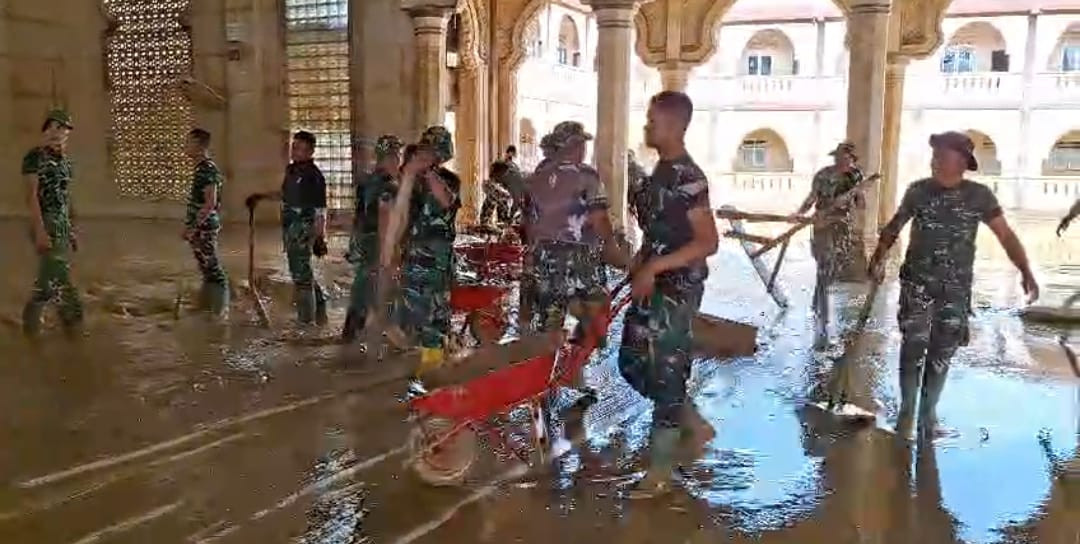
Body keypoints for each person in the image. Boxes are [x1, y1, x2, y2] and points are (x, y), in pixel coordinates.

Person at [869, 131, 1038, 438]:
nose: (934, 161)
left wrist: (1025, 270)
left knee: (941, 354)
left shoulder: (979, 196)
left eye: (941, 156)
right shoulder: (918, 191)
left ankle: (928, 415)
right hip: (916, 285)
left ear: (961, 161)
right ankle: (907, 410)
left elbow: (1005, 235)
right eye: (934, 155)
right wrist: (877, 258)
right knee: (912, 347)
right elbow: (894, 226)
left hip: (955, 290)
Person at [621, 91, 719, 497]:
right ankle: (688, 416)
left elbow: (708, 242)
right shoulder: (659, 173)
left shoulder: (688, 177)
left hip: (677, 288)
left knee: (667, 371)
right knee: (630, 362)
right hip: (652, 282)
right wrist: (638, 263)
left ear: (676, 126)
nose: (647, 126)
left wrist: (655, 267)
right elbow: (656, 233)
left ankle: (660, 473)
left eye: (653, 121)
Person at [523, 121, 626, 351]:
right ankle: (582, 356)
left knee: (550, 318)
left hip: (545, 257)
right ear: (576, 146)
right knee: (597, 306)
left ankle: (548, 362)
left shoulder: (539, 175)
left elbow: (529, 221)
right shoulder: (586, 175)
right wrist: (612, 246)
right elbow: (599, 219)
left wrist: (531, 254)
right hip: (579, 256)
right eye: (582, 144)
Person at [246, 130, 329, 325]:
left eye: (300, 149)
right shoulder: (292, 170)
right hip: (290, 228)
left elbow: (320, 210)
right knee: (302, 272)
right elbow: (284, 195)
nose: (295, 151)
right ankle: (320, 313)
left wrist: (320, 237)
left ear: (310, 152)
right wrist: (261, 197)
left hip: (303, 229)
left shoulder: (314, 176)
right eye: (294, 147)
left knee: (301, 276)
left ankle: (306, 322)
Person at [399, 126, 461, 371]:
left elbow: (445, 200)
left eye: (433, 150)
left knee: (435, 314)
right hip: (414, 253)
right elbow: (399, 212)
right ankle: (430, 362)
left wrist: (426, 171)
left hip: (438, 258)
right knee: (414, 312)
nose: (427, 154)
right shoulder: (410, 178)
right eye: (425, 149)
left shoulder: (449, 180)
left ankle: (434, 368)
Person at [794, 141, 865, 345]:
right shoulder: (823, 175)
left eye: (846, 158)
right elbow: (812, 197)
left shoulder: (856, 176)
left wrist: (858, 194)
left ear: (852, 159)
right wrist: (799, 213)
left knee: (835, 266)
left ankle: (819, 297)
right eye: (838, 157)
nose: (842, 160)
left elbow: (861, 206)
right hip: (822, 224)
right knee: (824, 264)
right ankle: (822, 314)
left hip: (842, 227)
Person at [22, 109, 83, 337]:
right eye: (53, 128)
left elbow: (67, 197)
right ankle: (72, 322)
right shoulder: (34, 157)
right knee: (57, 275)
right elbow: (31, 196)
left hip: (62, 223)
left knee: (52, 276)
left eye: (63, 129)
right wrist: (39, 230)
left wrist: (72, 229)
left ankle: (35, 324)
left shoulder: (66, 162)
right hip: (45, 221)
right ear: (45, 131)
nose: (57, 133)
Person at [342, 134, 403, 341]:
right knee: (381, 287)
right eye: (397, 155)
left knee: (363, 284)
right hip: (376, 240)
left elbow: (358, 216)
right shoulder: (388, 185)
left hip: (362, 240)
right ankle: (390, 335)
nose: (399, 160)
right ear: (392, 157)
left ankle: (352, 334)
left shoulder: (367, 181)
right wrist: (389, 250)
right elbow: (385, 216)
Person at [182, 128, 229, 316]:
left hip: (205, 227)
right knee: (206, 269)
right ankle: (207, 307)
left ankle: (219, 312)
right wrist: (189, 226)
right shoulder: (200, 169)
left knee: (213, 270)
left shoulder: (208, 169)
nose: (185, 147)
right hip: (198, 228)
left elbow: (210, 203)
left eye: (188, 143)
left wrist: (194, 227)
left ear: (199, 145)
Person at [479, 161, 513, 227]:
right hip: (489, 224)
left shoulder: (498, 187)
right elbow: (501, 194)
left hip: (500, 223)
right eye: (506, 174)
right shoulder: (492, 187)